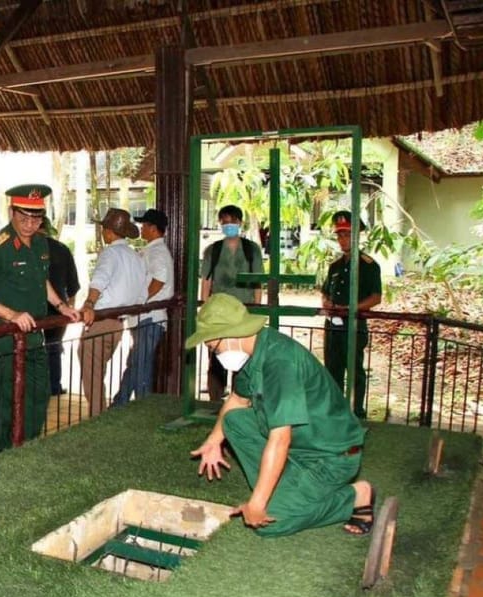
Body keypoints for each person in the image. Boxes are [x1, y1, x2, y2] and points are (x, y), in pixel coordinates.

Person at [187, 293, 374, 537]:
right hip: (301, 448)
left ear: (231, 334)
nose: (214, 354)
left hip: (331, 458)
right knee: (234, 421)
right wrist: (213, 441)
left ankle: (357, 496)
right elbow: (237, 399)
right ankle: (281, 488)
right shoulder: (254, 352)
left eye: (213, 346)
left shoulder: (280, 362)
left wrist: (257, 504)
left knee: (273, 521)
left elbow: (280, 439)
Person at [0, 184, 79, 453]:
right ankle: (1, 457)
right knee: (5, 401)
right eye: (24, 218)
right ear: (11, 212)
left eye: (36, 218)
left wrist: (61, 305)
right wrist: (11, 315)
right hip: (4, 337)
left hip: (34, 335)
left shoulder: (41, 243)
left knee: (38, 395)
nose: (30, 224)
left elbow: (41, 279)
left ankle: (29, 450)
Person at [77, 208, 148, 418]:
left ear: (108, 231)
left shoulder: (110, 253)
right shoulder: (135, 257)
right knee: (99, 370)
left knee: (92, 372)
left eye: (103, 228)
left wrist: (89, 303)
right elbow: (142, 294)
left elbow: (100, 279)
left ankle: (98, 418)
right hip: (119, 323)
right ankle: (99, 413)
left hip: (101, 320)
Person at [199, 204, 265, 402]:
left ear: (240, 223)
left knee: (243, 357)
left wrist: (256, 312)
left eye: (233, 222)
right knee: (217, 358)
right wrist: (205, 311)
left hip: (244, 313)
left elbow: (257, 284)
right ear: (219, 223)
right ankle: (214, 401)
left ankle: (239, 400)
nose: (229, 226)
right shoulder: (213, 250)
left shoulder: (252, 249)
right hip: (220, 314)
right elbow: (206, 282)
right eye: (225, 222)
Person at [321, 210, 382, 418]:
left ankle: (357, 410)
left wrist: (353, 308)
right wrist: (327, 303)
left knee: (355, 369)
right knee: (332, 368)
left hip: (354, 324)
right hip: (333, 324)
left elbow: (376, 297)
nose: (343, 239)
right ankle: (335, 409)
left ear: (357, 236)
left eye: (347, 235)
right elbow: (325, 292)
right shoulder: (335, 266)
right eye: (339, 235)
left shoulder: (368, 266)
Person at [114, 208, 174, 405]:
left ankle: (141, 406)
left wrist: (140, 300)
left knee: (140, 366)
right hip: (147, 317)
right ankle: (120, 403)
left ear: (154, 229)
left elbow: (159, 279)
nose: (141, 228)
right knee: (136, 363)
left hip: (149, 316)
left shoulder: (156, 251)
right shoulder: (153, 249)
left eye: (144, 225)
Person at [41, 218, 80, 396]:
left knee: (29, 349)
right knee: (54, 346)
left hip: (32, 309)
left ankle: (34, 387)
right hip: (58, 309)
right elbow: (73, 285)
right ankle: (53, 386)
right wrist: (69, 307)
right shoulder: (62, 249)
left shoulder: (26, 250)